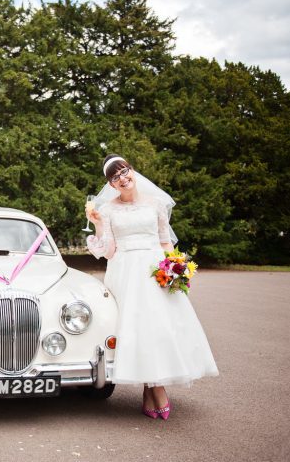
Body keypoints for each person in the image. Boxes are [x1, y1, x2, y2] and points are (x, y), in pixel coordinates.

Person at [86, 154, 217, 420]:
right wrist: (99, 224)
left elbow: (165, 240)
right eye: (115, 177)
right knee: (138, 330)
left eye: (125, 172)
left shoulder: (155, 203)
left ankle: (151, 388)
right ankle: (157, 390)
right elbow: (109, 251)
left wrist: (175, 268)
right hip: (125, 272)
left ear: (132, 172)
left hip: (154, 270)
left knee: (158, 329)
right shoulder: (109, 210)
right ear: (111, 184)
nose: (123, 179)